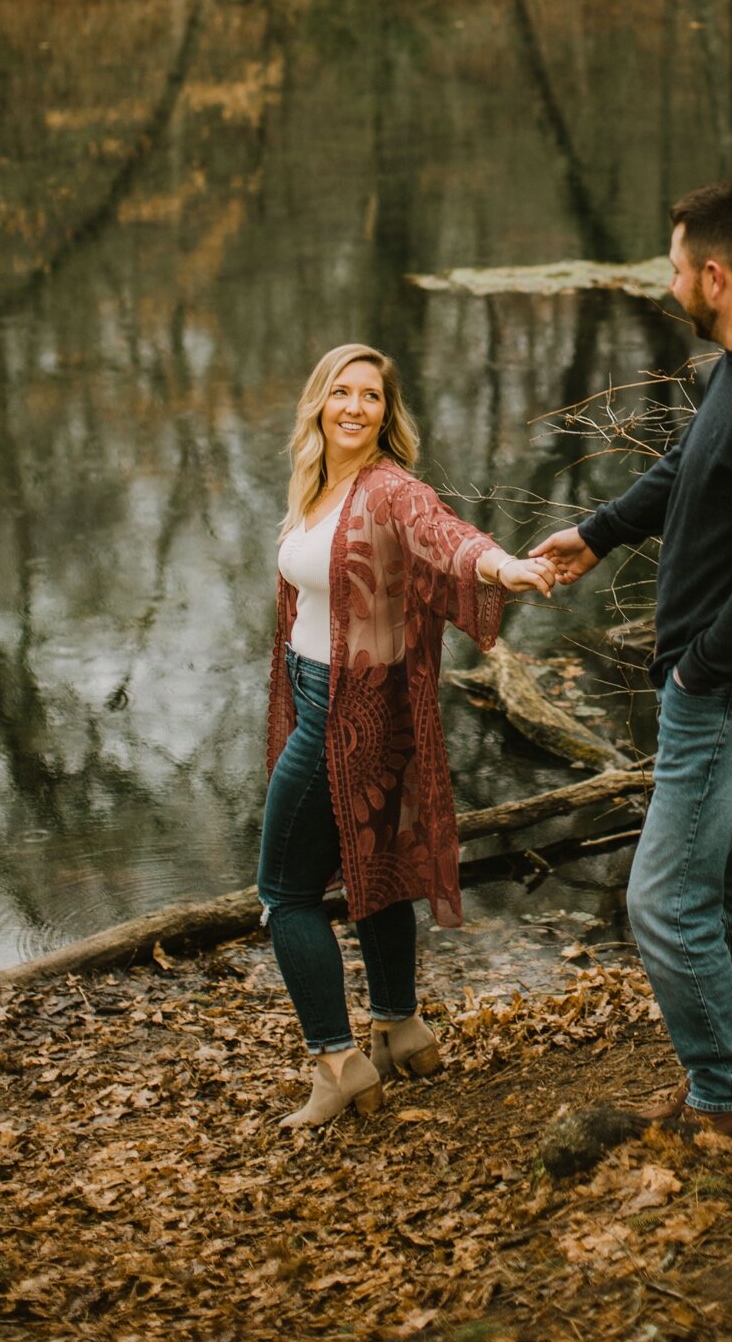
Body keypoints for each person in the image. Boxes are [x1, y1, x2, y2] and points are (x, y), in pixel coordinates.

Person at [532, 182, 732, 1144]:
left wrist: (698, 670)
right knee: (725, 890)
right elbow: (687, 469)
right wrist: (599, 531)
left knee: (663, 901)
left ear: (715, 274)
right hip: (720, 692)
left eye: (674, 267)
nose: (668, 282)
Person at [259, 341, 555, 1129]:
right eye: (342, 393)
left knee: (285, 894)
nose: (355, 407)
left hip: (342, 713)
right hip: (362, 703)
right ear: (319, 401)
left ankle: (336, 1061)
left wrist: (502, 566)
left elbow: (444, 534)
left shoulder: (390, 489)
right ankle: (400, 1026)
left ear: (388, 414)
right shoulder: (320, 485)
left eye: (371, 397)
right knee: (374, 867)